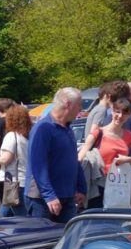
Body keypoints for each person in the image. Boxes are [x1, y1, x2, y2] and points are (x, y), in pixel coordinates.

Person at [25, 87, 86, 223]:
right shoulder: (43, 129)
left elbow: (73, 160)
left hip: (67, 196)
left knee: (67, 240)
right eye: (79, 105)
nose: (80, 109)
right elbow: (38, 166)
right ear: (68, 104)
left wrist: (81, 187)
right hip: (42, 200)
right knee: (42, 240)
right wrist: (49, 196)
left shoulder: (67, 129)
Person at [77, 97, 131, 208]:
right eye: (117, 112)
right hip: (98, 185)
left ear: (130, 115)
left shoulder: (129, 135)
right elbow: (80, 159)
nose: (120, 116)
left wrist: (128, 159)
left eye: (125, 113)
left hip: (119, 187)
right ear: (112, 111)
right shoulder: (98, 133)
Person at [0, 104, 31, 217]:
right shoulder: (26, 137)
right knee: (6, 211)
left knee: (21, 217)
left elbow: (6, 158)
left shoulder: (11, 136)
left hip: (14, 181)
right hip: (23, 180)